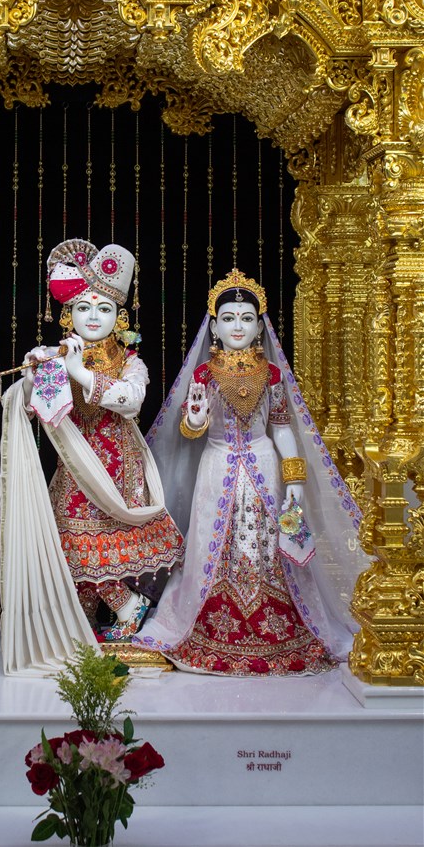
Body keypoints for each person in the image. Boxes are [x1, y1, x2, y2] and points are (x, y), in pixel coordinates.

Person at [134, 268, 368, 676]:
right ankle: (210, 625)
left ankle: (278, 625)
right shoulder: (204, 374)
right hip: (217, 465)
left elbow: (281, 428)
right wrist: (195, 417)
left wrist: (294, 479)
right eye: (228, 318)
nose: (237, 326)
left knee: (269, 542)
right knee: (212, 542)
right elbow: (191, 430)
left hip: (263, 464)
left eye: (246, 318)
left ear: (260, 327)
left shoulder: (271, 374)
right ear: (214, 327)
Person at [0, 238, 183, 675]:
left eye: (104, 308)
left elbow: (131, 400)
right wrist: (34, 377)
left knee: (98, 546)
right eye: (83, 308)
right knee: (70, 544)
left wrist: (80, 372)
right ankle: (84, 622)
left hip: (118, 470)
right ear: (68, 315)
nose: (94, 317)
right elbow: (37, 410)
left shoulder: (131, 363)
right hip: (74, 468)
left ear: (120, 316)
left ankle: (127, 606)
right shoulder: (56, 357)